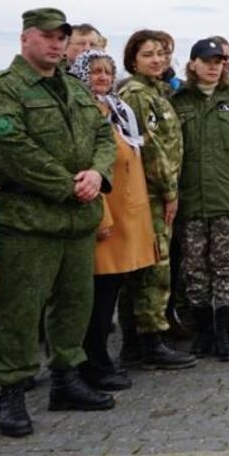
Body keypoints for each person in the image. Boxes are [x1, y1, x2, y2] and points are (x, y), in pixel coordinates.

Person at [0, 8, 118, 437]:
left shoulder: (75, 91)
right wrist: (67, 184)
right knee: (22, 310)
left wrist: (97, 173)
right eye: (48, 37)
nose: (56, 44)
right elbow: (11, 149)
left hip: (77, 220)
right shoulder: (6, 90)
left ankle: (66, 379)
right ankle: (13, 391)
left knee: (75, 303)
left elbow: (101, 134)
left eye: (62, 38)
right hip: (29, 222)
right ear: (25, 39)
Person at [68, 51, 157, 392]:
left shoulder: (118, 109)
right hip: (106, 218)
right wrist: (100, 217)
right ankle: (94, 362)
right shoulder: (85, 113)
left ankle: (100, 360)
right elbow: (90, 166)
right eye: (94, 72)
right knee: (100, 298)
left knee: (111, 291)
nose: (102, 77)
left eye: (107, 71)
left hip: (129, 214)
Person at [171, 38, 229, 362]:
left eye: (221, 61)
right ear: (193, 63)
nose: (216, 66)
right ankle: (203, 331)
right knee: (195, 269)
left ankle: (225, 332)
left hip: (228, 200)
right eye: (209, 60)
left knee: (227, 267)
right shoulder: (178, 102)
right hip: (191, 201)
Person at [115, 30, 194, 371]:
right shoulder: (136, 94)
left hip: (158, 193)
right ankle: (148, 340)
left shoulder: (156, 92)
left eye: (161, 54)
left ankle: (139, 341)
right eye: (148, 54)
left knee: (150, 265)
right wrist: (168, 191)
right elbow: (150, 148)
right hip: (151, 195)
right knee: (153, 268)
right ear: (133, 59)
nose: (157, 60)